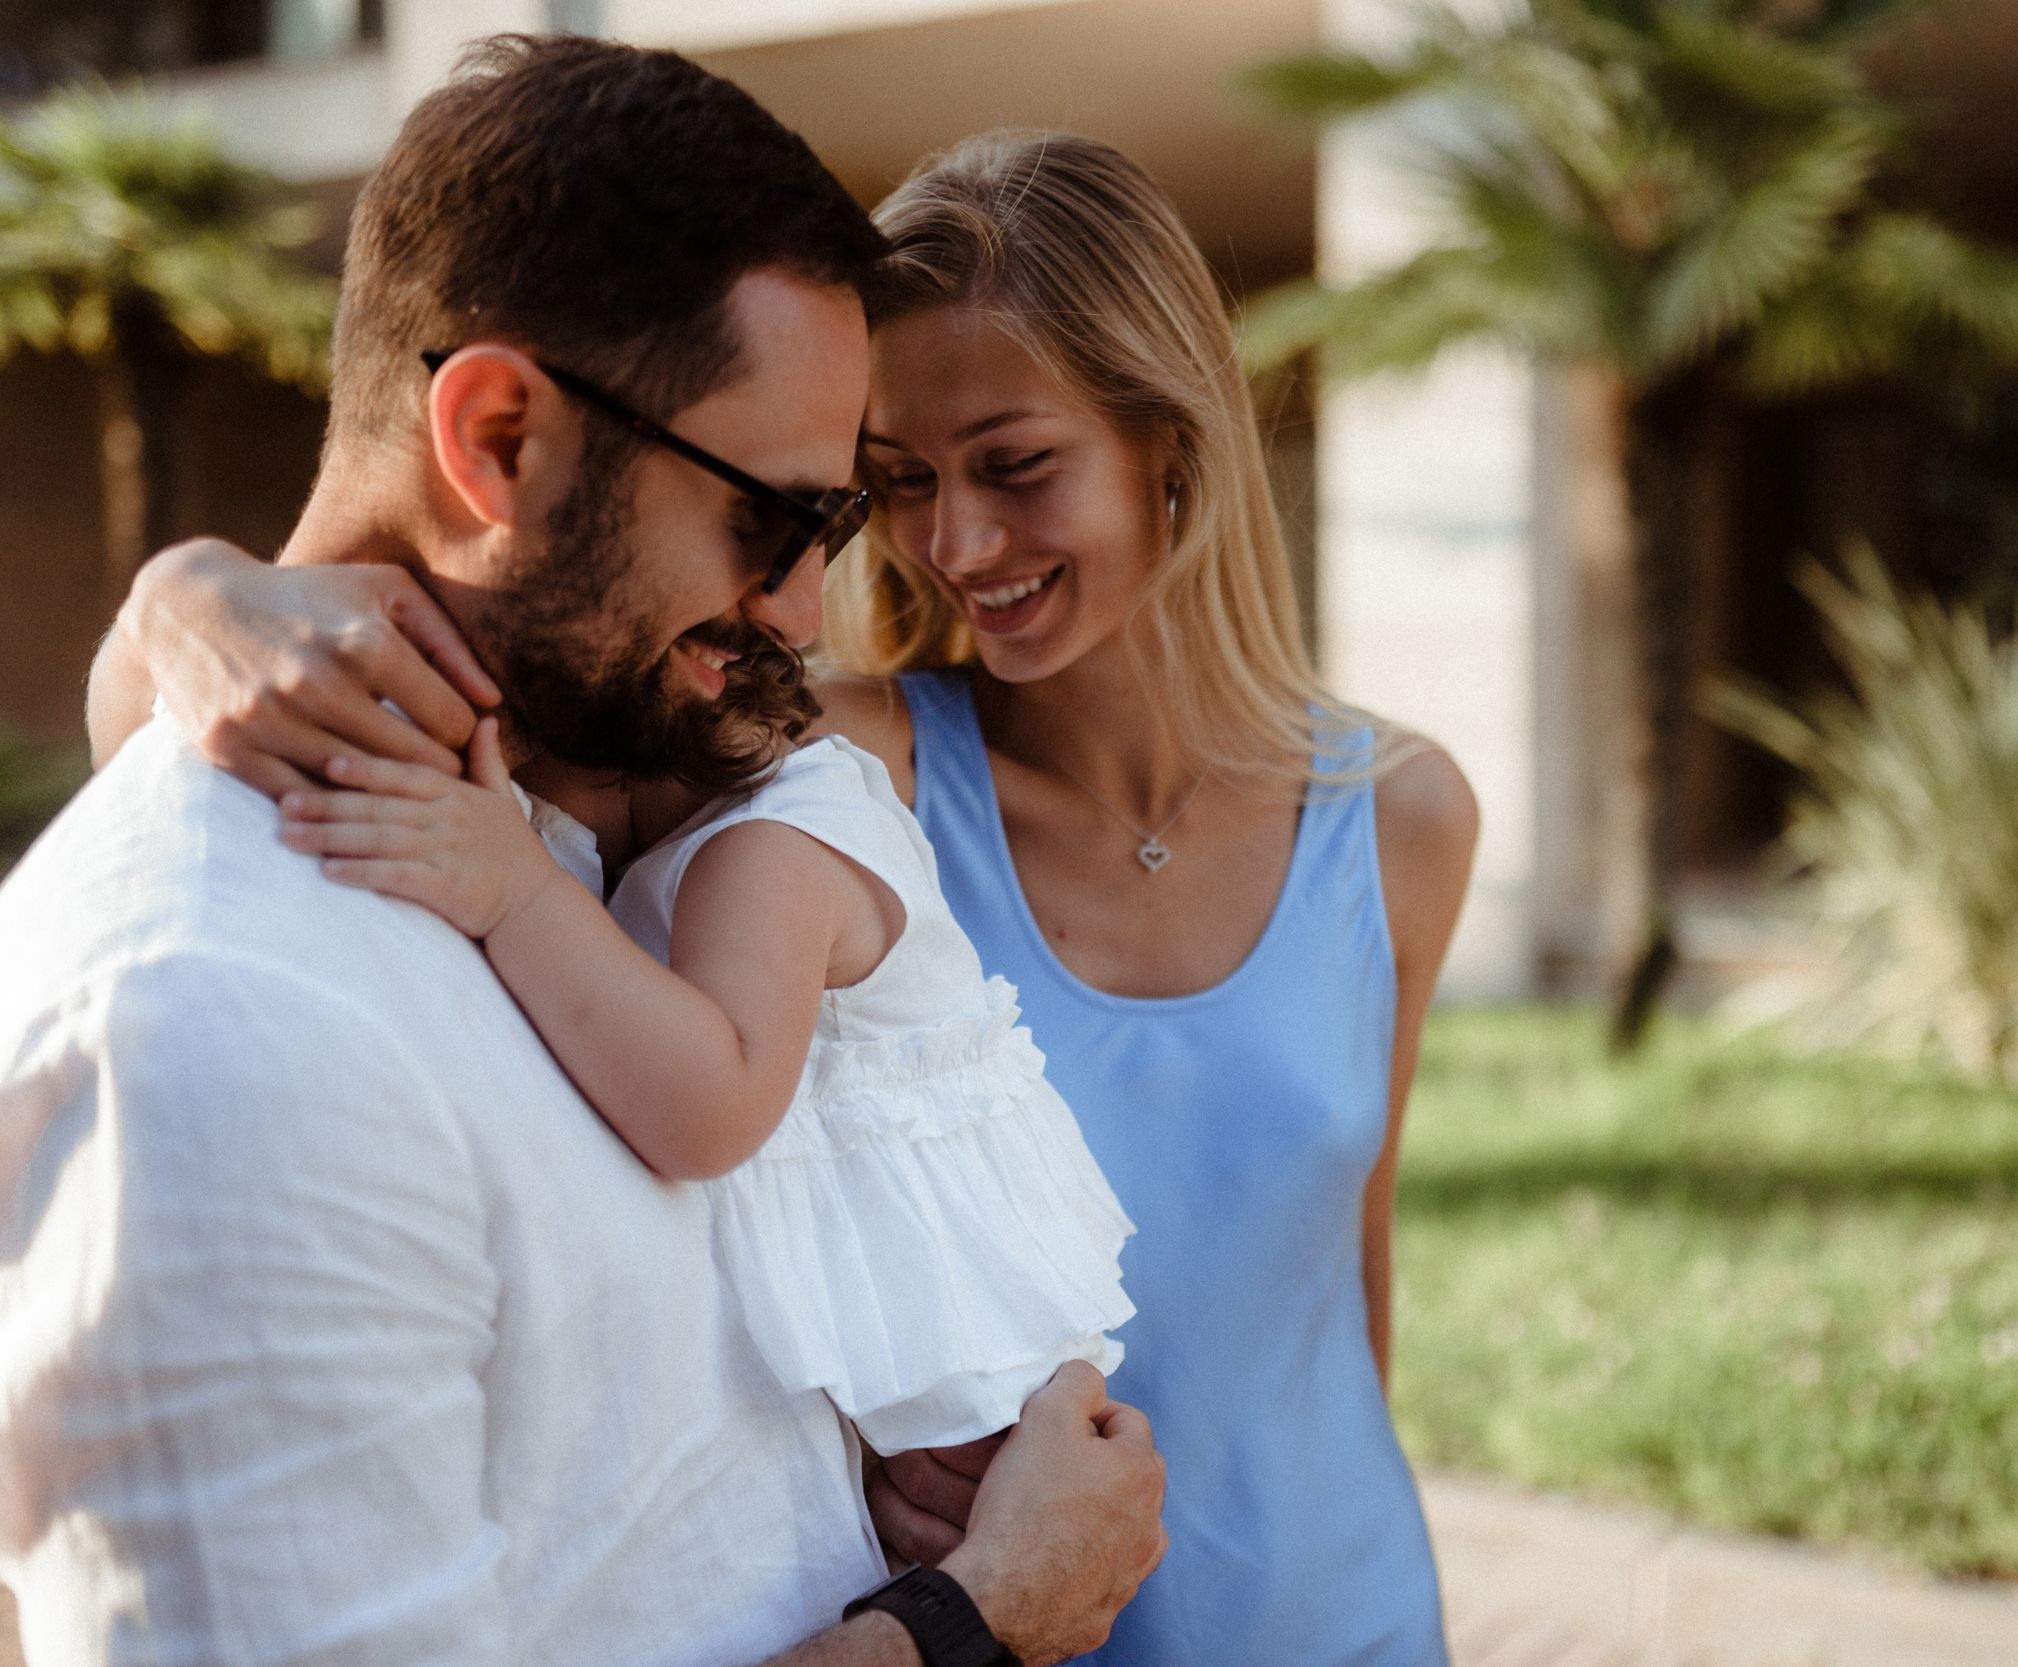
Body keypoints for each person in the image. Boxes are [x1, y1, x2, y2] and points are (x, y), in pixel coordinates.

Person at [89, 131, 1475, 1666]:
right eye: (894, 489)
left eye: (1017, 467)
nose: (957, 546)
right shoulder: (825, 765)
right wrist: (182, 600)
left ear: (1173, 441)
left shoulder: (1402, 817)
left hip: (1350, 1617)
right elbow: (396, 686)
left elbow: (1342, 1276)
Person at [7, 39, 1162, 1667]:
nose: (801, 613)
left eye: (833, 534)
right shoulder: (217, 1019)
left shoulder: (548, 784)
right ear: (496, 439)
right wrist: (977, 1618)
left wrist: (184, 595)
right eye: (774, 523)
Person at [271, 682, 1136, 1455]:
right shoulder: (727, 832)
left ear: (623, 756)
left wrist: (519, 887)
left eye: (535, 799)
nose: (537, 826)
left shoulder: (767, 852)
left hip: (964, 1384)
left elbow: (707, 1110)